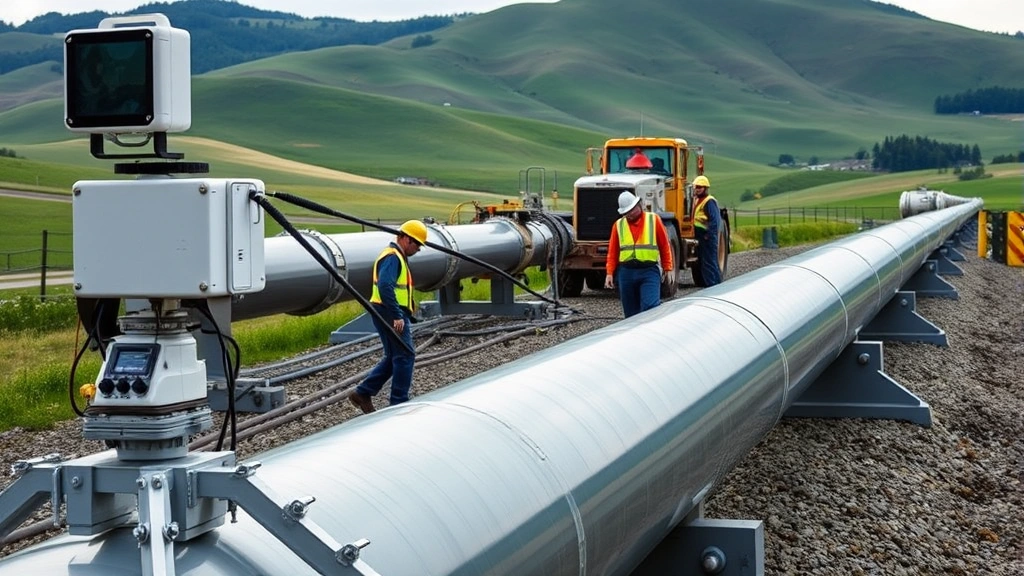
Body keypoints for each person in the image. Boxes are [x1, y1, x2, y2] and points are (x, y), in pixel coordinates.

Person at [349, 220, 427, 414]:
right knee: (406, 354)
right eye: (416, 243)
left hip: (385, 311)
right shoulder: (392, 257)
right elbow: (385, 286)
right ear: (405, 238)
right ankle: (399, 402)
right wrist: (397, 315)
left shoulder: (396, 256)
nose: (418, 249)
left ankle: (363, 393)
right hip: (388, 312)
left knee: (395, 355)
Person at [604, 191, 675, 318]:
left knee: (651, 309)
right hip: (626, 273)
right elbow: (613, 252)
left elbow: (664, 245)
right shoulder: (618, 225)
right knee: (630, 315)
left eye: (631, 210)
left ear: (639, 205)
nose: (629, 214)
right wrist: (609, 273)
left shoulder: (654, 220)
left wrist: (668, 267)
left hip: (649, 271)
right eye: (626, 212)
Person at [691, 175, 722, 286]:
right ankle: (713, 285)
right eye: (696, 187)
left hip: (707, 236)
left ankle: (714, 285)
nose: (697, 189)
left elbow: (715, 221)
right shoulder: (697, 200)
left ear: (705, 188)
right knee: (705, 262)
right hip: (700, 235)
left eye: (700, 187)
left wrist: (708, 235)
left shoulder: (709, 201)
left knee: (709, 262)